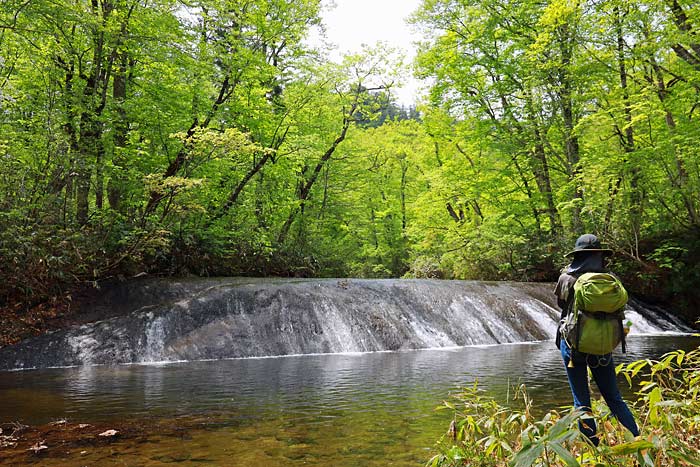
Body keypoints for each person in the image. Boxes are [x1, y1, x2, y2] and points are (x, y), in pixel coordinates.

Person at [554, 233, 639, 445]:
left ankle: (592, 446)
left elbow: (561, 305)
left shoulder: (567, 278)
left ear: (576, 256)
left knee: (581, 401)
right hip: (603, 346)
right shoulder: (612, 280)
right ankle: (638, 441)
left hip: (574, 346)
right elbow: (621, 311)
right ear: (600, 255)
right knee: (613, 397)